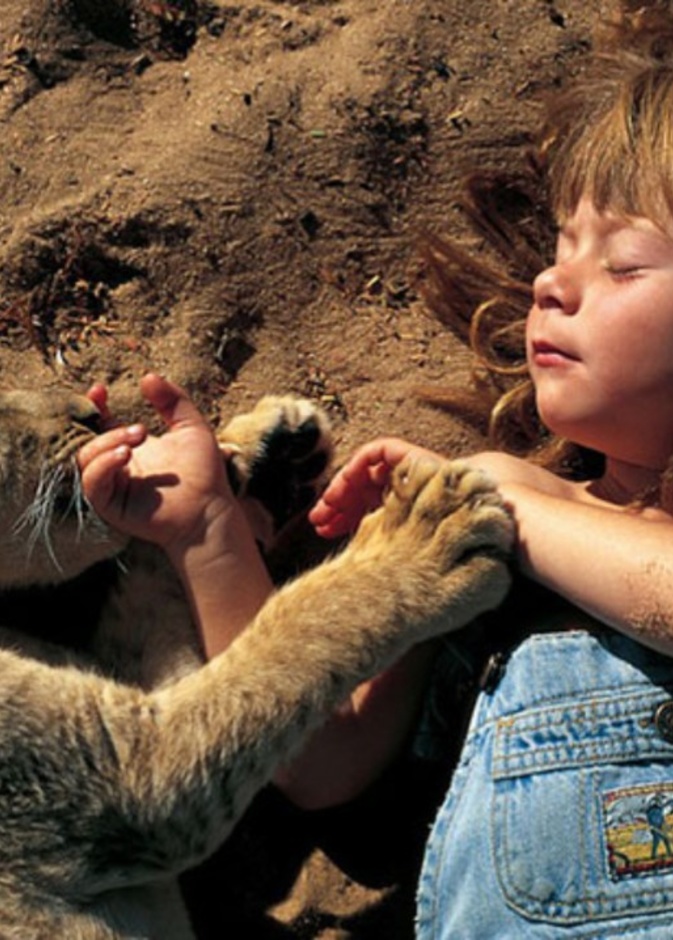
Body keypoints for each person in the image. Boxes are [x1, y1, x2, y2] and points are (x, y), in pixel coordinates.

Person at [78, 6, 673, 936]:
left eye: (624, 264)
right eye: (559, 249)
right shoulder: (477, 522)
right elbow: (320, 764)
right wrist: (209, 536)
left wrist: (505, 502)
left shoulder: (499, 508)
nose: (552, 285)